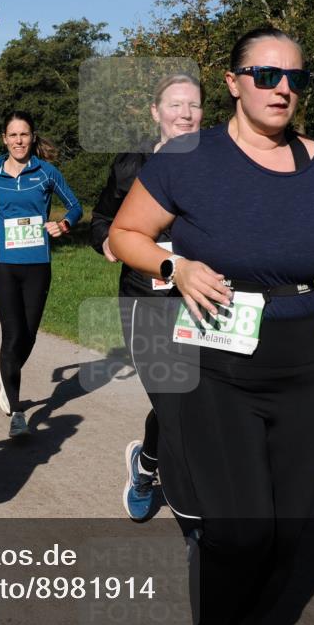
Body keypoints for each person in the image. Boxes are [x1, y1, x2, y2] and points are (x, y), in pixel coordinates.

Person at [109, 27, 314, 625]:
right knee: (239, 528)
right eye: (267, 75)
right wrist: (176, 266)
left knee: (285, 531)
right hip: (216, 356)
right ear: (233, 83)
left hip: (300, 361)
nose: (283, 89)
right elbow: (127, 233)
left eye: (296, 78)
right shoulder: (189, 157)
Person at [90, 73, 204, 521]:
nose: (185, 114)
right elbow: (101, 217)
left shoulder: (220, 164)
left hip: (202, 300)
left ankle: (147, 462)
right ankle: (196, 520)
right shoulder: (130, 164)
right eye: (175, 105)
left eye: (194, 105)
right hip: (146, 300)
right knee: (174, 402)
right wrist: (107, 239)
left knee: (194, 401)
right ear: (156, 113)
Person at [0, 111, 83, 437]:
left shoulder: (46, 173)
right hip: (3, 265)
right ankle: (17, 412)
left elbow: (75, 206)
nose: (19, 141)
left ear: (32, 137)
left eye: (24, 134)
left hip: (38, 265)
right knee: (13, 333)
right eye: (13, 135)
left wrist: (64, 224)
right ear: (4, 139)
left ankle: (6, 370)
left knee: (28, 335)